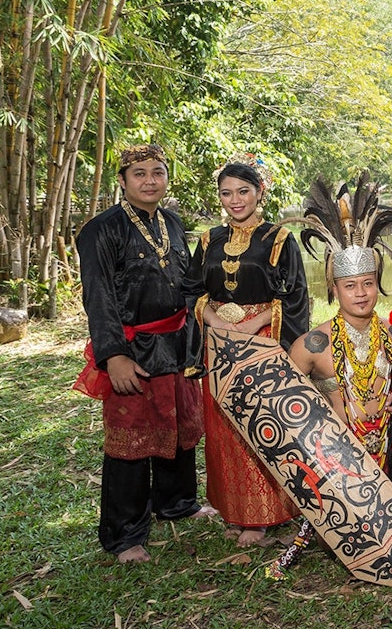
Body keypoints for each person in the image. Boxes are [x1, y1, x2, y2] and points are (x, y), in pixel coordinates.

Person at [266, 175, 392, 578]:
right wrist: (320, 429)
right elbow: (280, 403)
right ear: (334, 289)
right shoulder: (313, 344)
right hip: (339, 461)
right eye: (350, 286)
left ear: (378, 285)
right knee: (342, 543)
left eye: (368, 284)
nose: (360, 293)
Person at [73, 143, 214, 564]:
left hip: (177, 339)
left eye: (158, 172)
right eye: (140, 173)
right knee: (131, 439)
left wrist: (208, 324)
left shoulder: (172, 221)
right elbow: (97, 297)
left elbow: (189, 285)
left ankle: (177, 503)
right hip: (131, 346)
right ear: (122, 180)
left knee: (179, 426)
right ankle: (124, 534)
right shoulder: (101, 230)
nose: (150, 180)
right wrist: (112, 355)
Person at [185, 157, 308, 546]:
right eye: (226, 193)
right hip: (218, 344)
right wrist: (218, 323)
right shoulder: (209, 240)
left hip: (262, 343)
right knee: (224, 428)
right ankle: (234, 512)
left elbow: (295, 295)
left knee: (261, 424)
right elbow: (191, 289)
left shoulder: (279, 239)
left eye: (243, 191)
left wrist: (254, 324)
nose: (235, 200)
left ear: (259, 192)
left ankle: (264, 517)